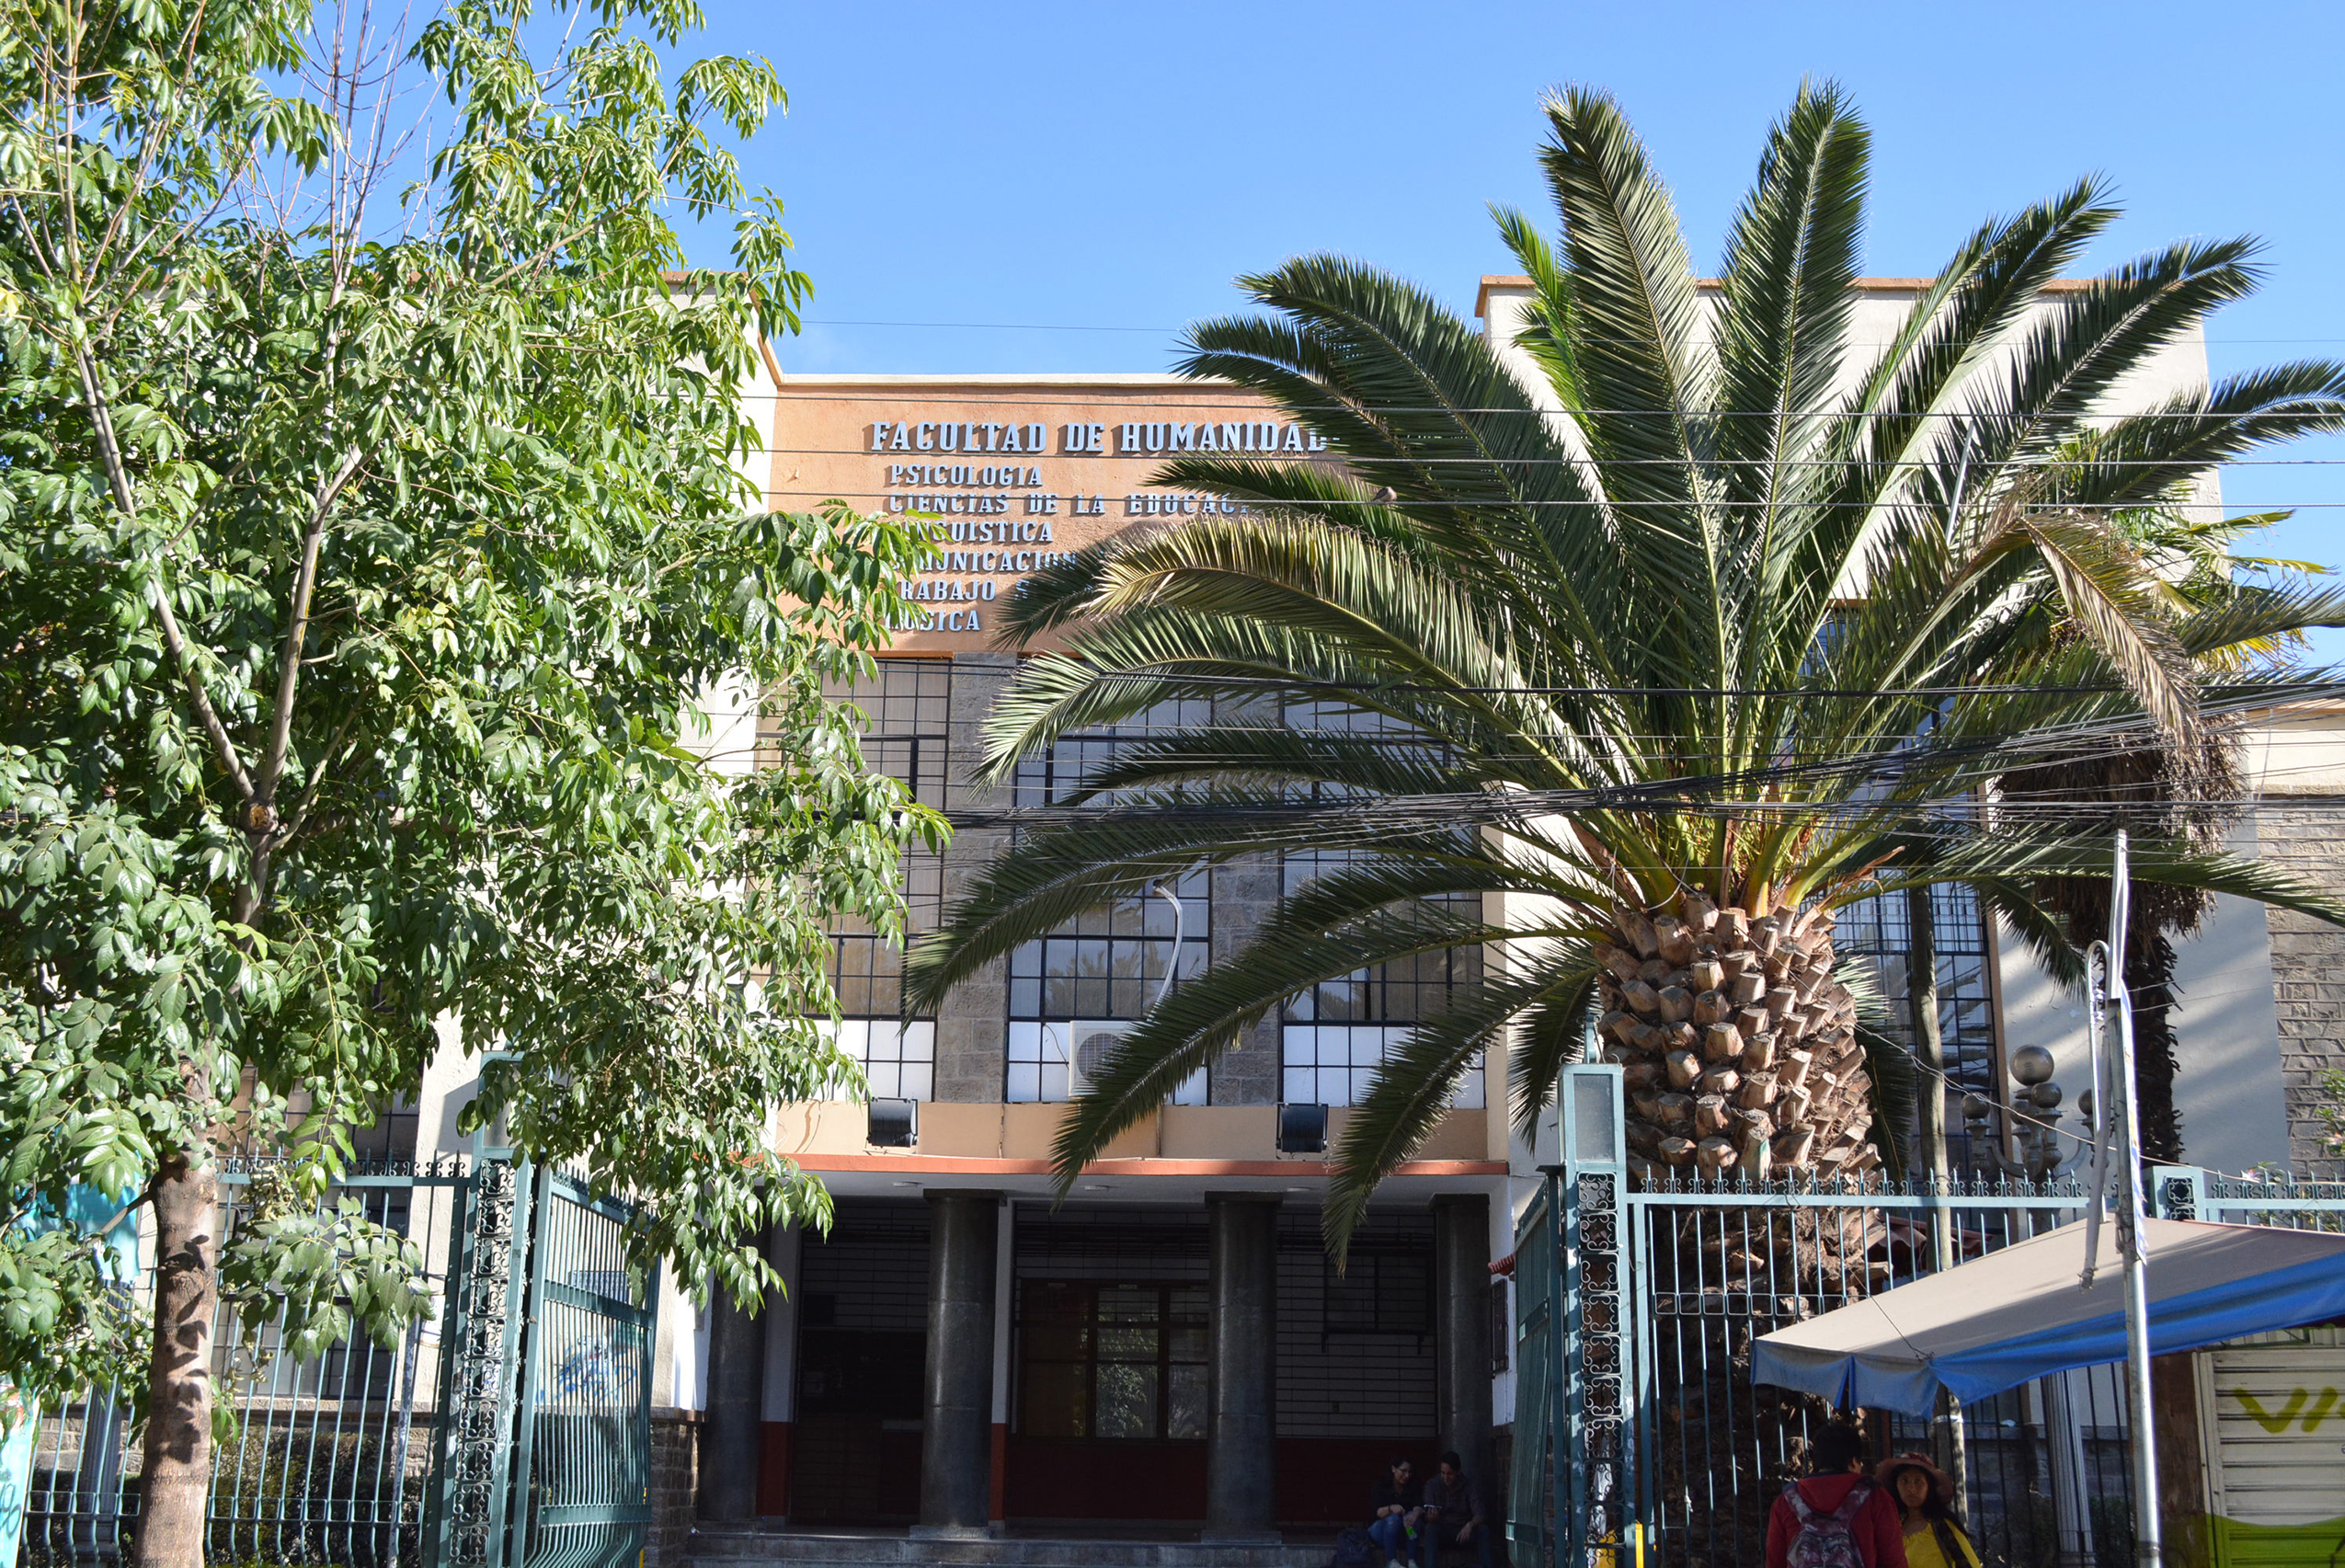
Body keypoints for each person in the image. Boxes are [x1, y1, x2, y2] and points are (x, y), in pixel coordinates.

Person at [1764, 1424, 1908, 1568]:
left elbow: (1774, 1562)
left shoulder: (1786, 1501)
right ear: (1853, 1461)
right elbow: (1893, 1560)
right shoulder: (1875, 1497)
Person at [1876, 1454, 1982, 1568]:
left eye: (1918, 1481)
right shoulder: (1893, 1528)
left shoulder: (1943, 1527)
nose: (1911, 1488)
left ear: (1929, 1487)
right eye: (1904, 1480)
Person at [1422, 1451, 1493, 1568]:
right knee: (1430, 1530)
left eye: (1449, 1474)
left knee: (1483, 1530)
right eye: (1443, 1473)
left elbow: (1480, 1513)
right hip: (1442, 1530)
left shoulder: (1469, 1485)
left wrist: (1470, 1525)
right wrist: (1431, 1517)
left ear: (1457, 1472)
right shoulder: (1432, 1485)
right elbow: (1426, 1514)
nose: (1445, 1477)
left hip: (1463, 1530)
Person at [1367, 1456, 1424, 1567]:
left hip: (1405, 1533)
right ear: (1394, 1469)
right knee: (1393, 1519)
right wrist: (1390, 1508)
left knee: (1412, 1520)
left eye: (1409, 1472)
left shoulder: (1414, 1486)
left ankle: (1412, 1561)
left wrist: (1414, 1514)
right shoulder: (1381, 1485)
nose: (1407, 1475)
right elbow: (1377, 1512)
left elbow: (1419, 1506)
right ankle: (1391, 1561)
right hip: (1381, 1532)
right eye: (1403, 1471)